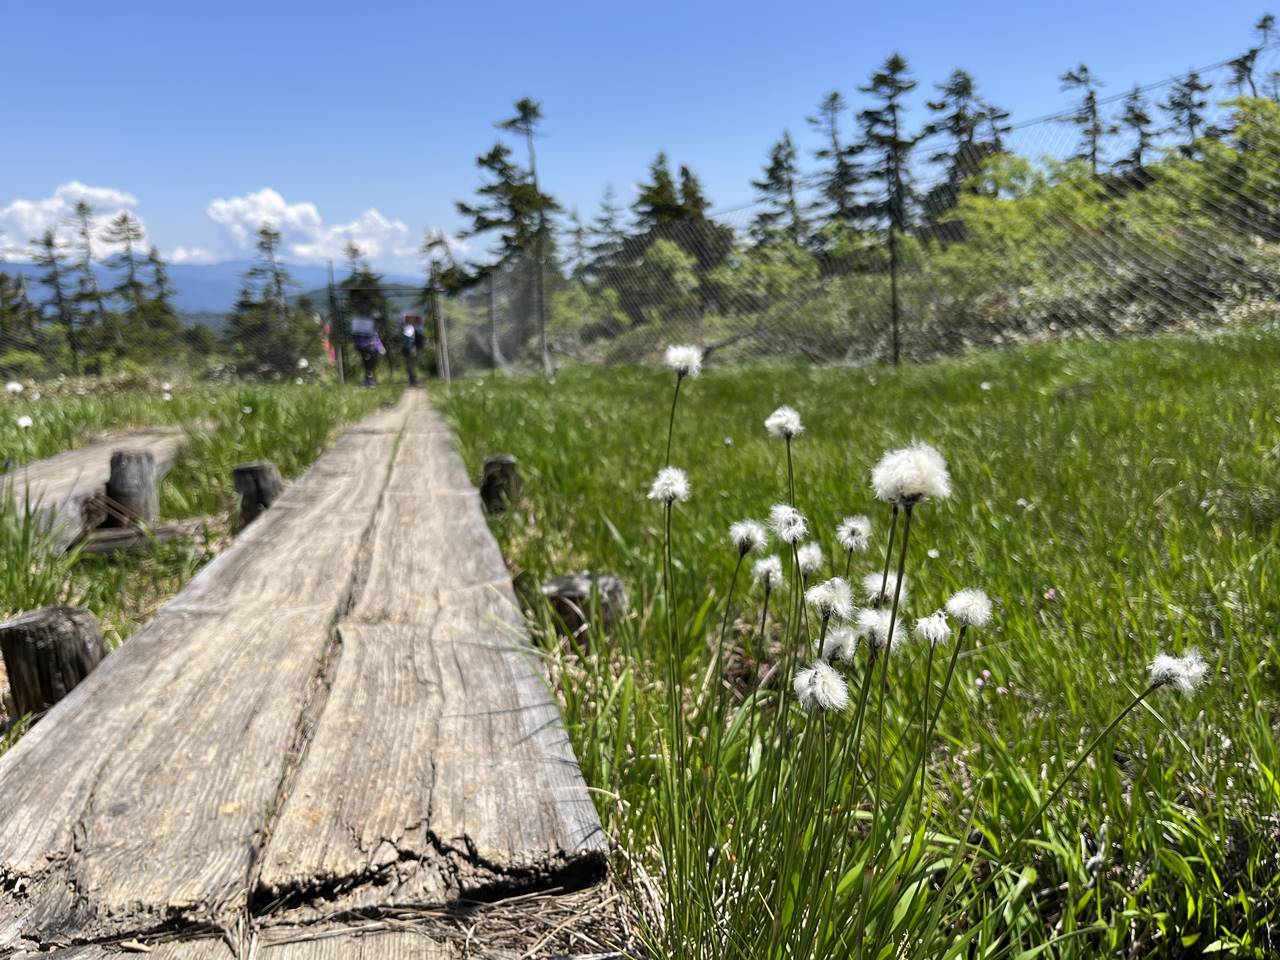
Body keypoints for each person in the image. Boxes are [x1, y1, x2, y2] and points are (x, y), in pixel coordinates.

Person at [351, 314, 385, 386]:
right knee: (368, 365)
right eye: (376, 320)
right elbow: (374, 339)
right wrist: (380, 347)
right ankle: (370, 381)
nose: (377, 322)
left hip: (371, 350)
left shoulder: (372, 328)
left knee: (371, 365)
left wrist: (380, 347)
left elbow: (376, 339)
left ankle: (371, 380)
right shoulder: (366, 328)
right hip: (367, 349)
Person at [401, 314, 426, 386]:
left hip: (409, 349)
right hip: (410, 349)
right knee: (411, 365)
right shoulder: (412, 328)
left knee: (410, 365)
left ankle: (412, 380)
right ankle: (412, 380)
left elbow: (408, 339)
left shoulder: (409, 328)